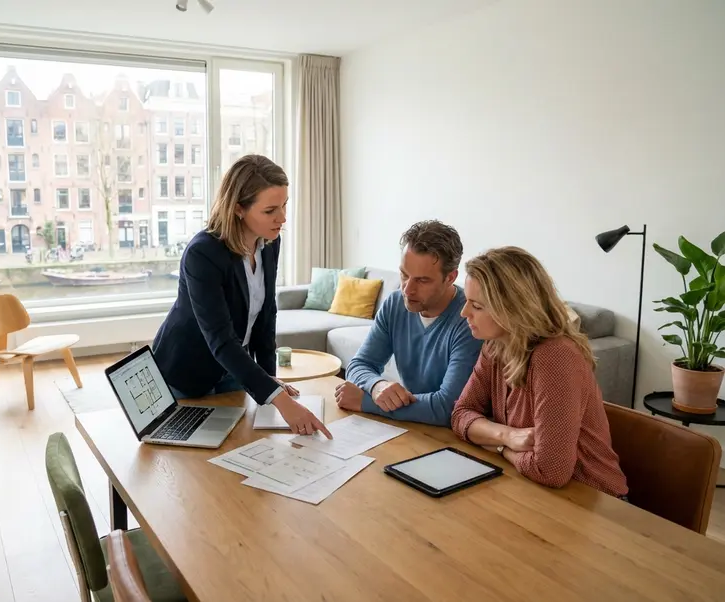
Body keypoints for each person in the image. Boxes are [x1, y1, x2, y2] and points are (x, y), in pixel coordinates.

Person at [152, 155, 332, 439]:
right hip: (185, 371)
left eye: (284, 205)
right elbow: (220, 339)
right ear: (238, 209)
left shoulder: (270, 242)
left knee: (241, 444)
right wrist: (281, 401)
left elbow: (266, 315)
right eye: (270, 210)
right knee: (192, 464)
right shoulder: (203, 254)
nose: (282, 218)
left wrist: (269, 379)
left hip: (233, 369)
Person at [451, 246, 628, 498]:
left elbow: (550, 471)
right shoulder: (495, 346)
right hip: (531, 489)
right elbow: (460, 415)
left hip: (593, 501)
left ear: (512, 308)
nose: (464, 313)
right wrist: (508, 436)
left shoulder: (556, 357)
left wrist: (499, 448)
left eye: (477, 306)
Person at [335, 220, 482, 426]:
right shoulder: (395, 304)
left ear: (450, 277)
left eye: (422, 281)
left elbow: (448, 407)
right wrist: (377, 385)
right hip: (414, 424)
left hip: (455, 435)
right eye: (404, 275)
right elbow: (360, 364)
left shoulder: (470, 319)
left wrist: (365, 401)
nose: (407, 289)